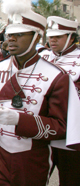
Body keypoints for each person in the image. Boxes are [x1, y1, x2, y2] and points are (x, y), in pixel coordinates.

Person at [0, 0, 79, 186]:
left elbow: (61, 127)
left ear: (36, 37)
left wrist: (21, 120)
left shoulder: (57, 76)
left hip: (31, 159)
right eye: (9, 33)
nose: (11, 38)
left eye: (19, 33)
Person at [38, 16, 80, 185]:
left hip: (69, 130)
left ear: (71, 37)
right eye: (51, 36)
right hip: (41, 128)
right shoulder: (42, 56)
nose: (53, 40)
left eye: (58, 36)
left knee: (70, 178)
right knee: (37, 176)